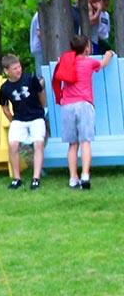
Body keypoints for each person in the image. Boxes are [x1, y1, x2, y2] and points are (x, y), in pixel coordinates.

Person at [51, 35, 115, 189]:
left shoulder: (65, 63)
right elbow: (103, 64)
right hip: (84, 105)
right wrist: (109, 54)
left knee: (72, 145)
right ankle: (85, 176)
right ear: (87, 48)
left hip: (67, 106)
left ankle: (73, 178)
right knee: (85, 142)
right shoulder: (89, 63)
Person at [0, 53, 46, 190]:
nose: (18, 70)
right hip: (19, 119)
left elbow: (40, 93)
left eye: (19, 67)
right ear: (6, 71)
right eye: (14, 68)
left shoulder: (30, 79)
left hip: (36, 116)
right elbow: (4, 107)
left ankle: (36, 178)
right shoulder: (5, 88)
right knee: (13, 145)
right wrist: (13, 120)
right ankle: (17, 178)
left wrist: (42, 110)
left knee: (38, 143)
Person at [29, 12, 44, 76]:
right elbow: (39, 33)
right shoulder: (40, 14)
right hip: (39, 48)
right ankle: (40, 86)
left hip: (38, 48)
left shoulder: (38, 14)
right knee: (41, 75)